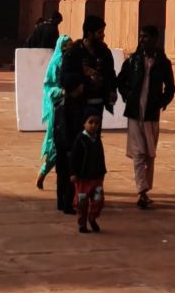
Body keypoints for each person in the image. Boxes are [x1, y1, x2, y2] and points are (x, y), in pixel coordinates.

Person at [54, 15, 117, 215]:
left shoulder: (104, 53)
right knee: (72, 153)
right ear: (89, 33)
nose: (102, 35)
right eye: (99, 32)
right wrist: (83, 79)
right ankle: (66, 200)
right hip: (75, 111)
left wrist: (109, 89)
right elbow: (64, 77)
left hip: (95, 110)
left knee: (90, 153)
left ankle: (83, 197)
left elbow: (110, 76)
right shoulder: (74, 53)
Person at [117, 24, 175, 209]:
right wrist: (127, 94)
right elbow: (120, 80)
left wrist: (162, 101)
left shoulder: (163, 63)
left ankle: (145, 189)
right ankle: (141, 191)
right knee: (139, 153)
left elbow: (171, 88)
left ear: (155, 39)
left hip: (151, 114)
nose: (142, 40)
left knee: (150, 153)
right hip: (134, 113)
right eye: (140, 36)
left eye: (146, 37)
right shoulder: (134, 60)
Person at [36, 32, 69, 190]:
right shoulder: (55, 63)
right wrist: (62, 92)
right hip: (59, 108)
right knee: (57, 144)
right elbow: (49, 87)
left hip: (72, 107)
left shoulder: (72, 62)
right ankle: (44, 171)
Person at [69, 112, 107, 233]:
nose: (94, 125)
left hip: (96, 178)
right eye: (90, 122)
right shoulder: (80, 140)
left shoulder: (97, 140)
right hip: (83, 178)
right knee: (82, 202)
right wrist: (73, 173)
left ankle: (92, 218)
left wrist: (102, 172)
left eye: (97, 123)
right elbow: (73, 158)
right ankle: (82, 224)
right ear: (84, 123)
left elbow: (101, 157)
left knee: (98, 200)